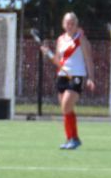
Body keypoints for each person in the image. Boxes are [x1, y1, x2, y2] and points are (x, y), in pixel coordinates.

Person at [41, 12, 95, 150]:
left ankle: (74, 138)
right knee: (66, 110)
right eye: (67, 22)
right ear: (63, 24)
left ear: (76, 24)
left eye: (72, 23)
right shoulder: (60, 39)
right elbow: (58, 61)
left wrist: (91, 78)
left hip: (76, 76)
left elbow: (89, 59)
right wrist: (47, 53)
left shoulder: (81, 39)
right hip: (62, 76)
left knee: (66, 105)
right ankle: (71, 138)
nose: (70, 25)